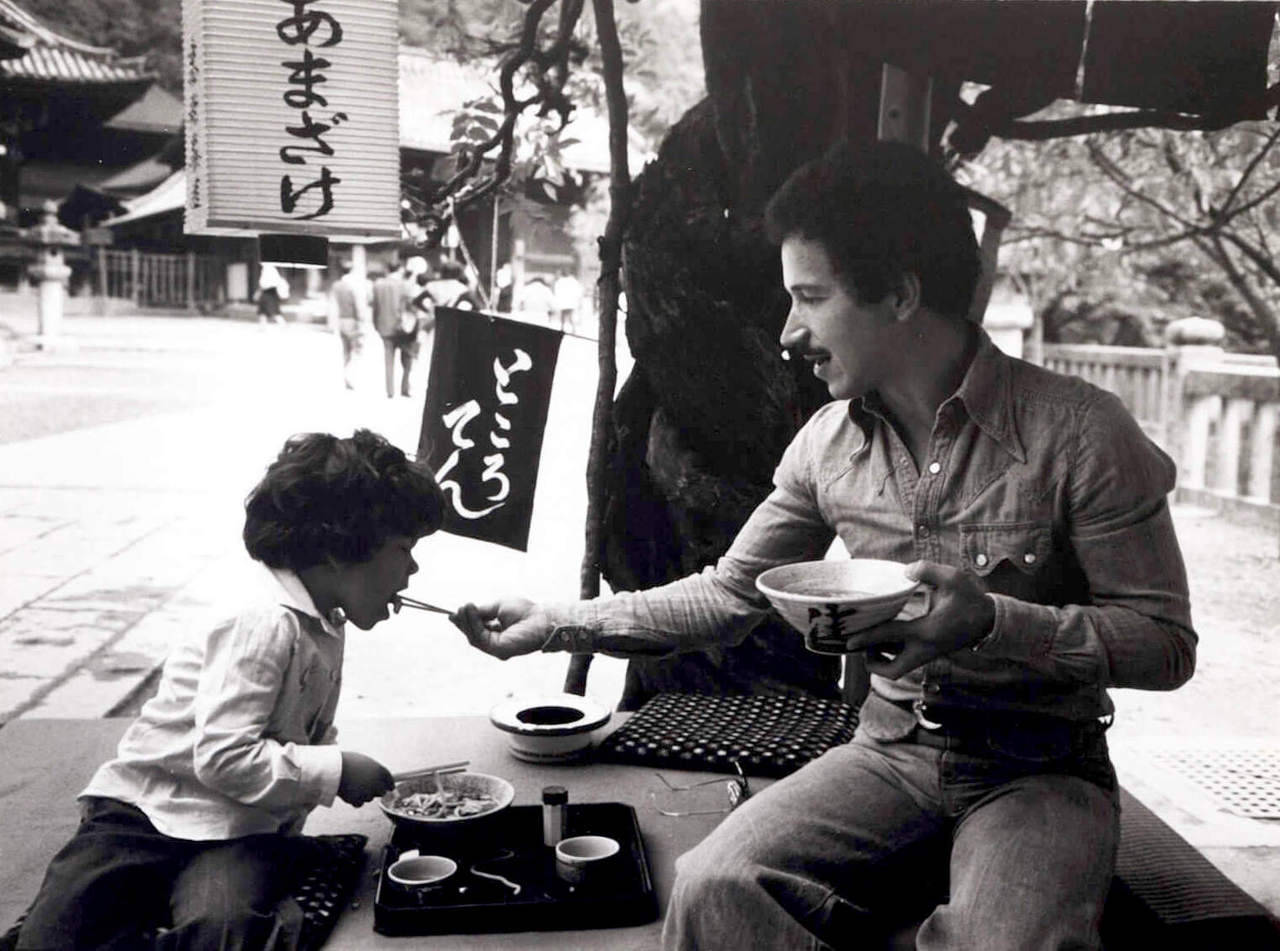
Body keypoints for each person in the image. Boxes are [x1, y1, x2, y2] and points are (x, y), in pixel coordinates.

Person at [450, 141, 1196, 950]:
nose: (786, 332)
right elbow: (731, 593)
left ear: (901, 294)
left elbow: (1165, 645)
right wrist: (556, 620)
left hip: (1042, 770)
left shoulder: (1081, 432)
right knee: (714, 886)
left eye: (809, 297)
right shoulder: (825, 446)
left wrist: (991, 624)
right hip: (889, 754)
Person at [15, 429, 447, 951]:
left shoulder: (326, 623)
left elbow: (292, 732)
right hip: (145, 814)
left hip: (241, 828)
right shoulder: (262, 621)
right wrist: (337, 769)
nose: (414, 568)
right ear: (339, 549)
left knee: (225, 931)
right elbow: (222, 758)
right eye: (404, 549)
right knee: (49, 940)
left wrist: (311, 780)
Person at [371, 259, 417, 399]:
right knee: (407, 358)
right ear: (400, 270)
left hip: (384, 327)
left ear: (388, 270)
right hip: (403, 328)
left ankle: (390, 391)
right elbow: (411, 306)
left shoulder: (378, 285)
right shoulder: (405, 285)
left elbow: (375, 307)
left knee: (388, 360)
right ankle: (405, 388)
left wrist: (376, 325)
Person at [328, 259, 369, 390]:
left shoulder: (336, 285)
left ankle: (345, 376)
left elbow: (332, 305)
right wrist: (362, 321)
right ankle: (351, 377)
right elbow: (358, 305)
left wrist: (332, 323)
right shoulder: (353, 285)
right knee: (357, 350)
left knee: (345, 351)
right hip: (353, 320)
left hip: (341, 320)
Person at [552, 268, 583, 333]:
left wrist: (557, 300)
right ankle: (573, 328)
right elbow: (579, 291)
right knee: (571, 315)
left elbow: (556, 291)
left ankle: (562, 328)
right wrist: (578, 300)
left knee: (563, 315)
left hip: (563, 301)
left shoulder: (559, 281)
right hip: (572, 301)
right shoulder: (574, 281)